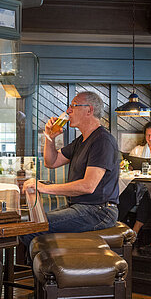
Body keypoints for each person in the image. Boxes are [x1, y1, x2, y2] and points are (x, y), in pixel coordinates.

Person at [20, 91, 119, 249]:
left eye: (73, 106)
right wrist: (49, 137)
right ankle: (48, 270)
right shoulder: (81, 140)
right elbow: (51, 162)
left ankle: (44, 272)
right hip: (81, 207)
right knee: (29, 222)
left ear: (89, 110)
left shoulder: (102, 141)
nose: (68, 111)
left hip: (99, 212)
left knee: (30, 228)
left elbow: (88, 186)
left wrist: (43, 188)